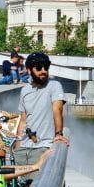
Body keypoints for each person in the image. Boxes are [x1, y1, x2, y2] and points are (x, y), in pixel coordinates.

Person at [15, 52, 68, 180]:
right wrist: (17, 144)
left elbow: (57, 110)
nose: (43, 71)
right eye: (38, 68)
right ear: (29, 70)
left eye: (46, 67)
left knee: (34, 185)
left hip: (43, 147)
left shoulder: (54, 86)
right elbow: (23, 120)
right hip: (23, 148)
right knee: (17, 186)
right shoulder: (25, 90)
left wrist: (58, 134)